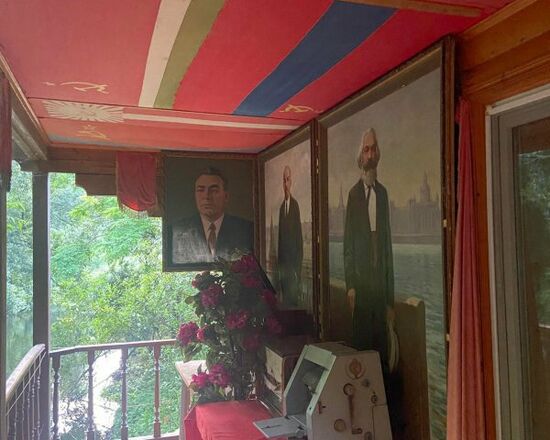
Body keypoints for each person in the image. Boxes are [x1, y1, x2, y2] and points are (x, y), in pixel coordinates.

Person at [343, 128, 395, 365]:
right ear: (360, 155)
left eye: (373, 149)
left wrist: (390, 300)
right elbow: (348, 245)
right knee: (362, 347)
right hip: (361, 286)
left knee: (381, 348)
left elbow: (387, 248)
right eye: (366, 150)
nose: (370, 155)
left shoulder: (382, 194)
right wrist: (351, 285)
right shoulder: (353, 195)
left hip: (379, 287)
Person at [172, 167, 253, 264]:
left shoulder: (246, 229)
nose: (207, 196)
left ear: (226, 196)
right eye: (201, 190)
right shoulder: (177, 230)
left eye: (214, 190)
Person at [277, 166, 303, 307]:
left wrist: (297, 270)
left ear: (291, 182)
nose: (286, 183)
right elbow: (280, 241)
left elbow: (299, 239)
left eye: (288, 179)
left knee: (293, 304)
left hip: (293, 268)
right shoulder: (282, 208)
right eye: (283, 180)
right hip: (284, 270)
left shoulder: (295, 206)